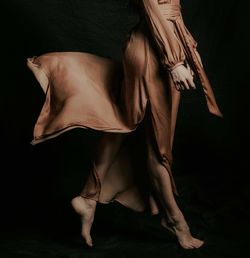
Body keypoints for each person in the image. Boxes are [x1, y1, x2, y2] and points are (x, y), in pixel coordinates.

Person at [27, 0, 223, 250]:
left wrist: (188, 51)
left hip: (158, 48)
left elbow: (169, 11)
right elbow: (153, 10)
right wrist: (174, 62)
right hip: (154, 53)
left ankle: (88, 196)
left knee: (128, 125)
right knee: (156, 147)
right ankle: (176, 221)